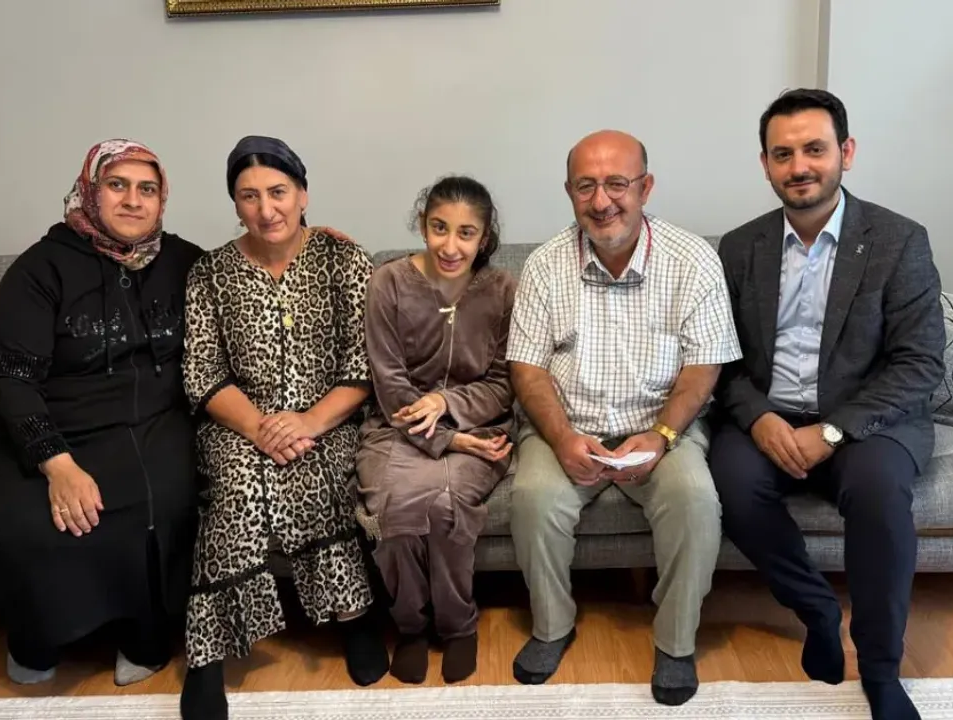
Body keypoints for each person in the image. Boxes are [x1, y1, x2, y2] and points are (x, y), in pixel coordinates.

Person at [709, 88, 945, 720]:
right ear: (765, 164)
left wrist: (834, 431)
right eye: (782, 154)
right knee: (728, 485)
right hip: (770, 414)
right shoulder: (740, 247)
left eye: (814, 149)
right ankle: (814, 607)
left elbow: (920, 363)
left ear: (846, 152)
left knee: (879, 495)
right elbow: (719, 358)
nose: (799, 167)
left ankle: (881, 669)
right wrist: (758, 416)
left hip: (869, 420)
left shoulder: (898, 240)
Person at [506, 129, 741, 706]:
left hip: (662, 426)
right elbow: (527, 370)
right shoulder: (543, 265)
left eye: (617, 183)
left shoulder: (693, 260)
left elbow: (703, 367)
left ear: (645, 187)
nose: (602, 200)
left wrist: (661, 435)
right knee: (533, 498)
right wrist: (562, 437)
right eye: (585, 186)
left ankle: (676, 642)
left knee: (694, 500)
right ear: (569, 192)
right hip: (566, 425)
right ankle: (552, 627)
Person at [0, 139, 204, 687]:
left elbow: (253, 266)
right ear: (90, 191)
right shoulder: (40, 269)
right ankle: (36, 636)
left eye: (147, 189)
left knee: (162, 501)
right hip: (59, 426)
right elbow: (12, 378)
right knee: (31, 524)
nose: (133, 200)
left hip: (156, 422)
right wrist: (58, 465)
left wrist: (314, 239)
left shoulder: (186, 262)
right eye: (118, 185)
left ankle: (144, 636)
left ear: (162, 200)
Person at [179, 135, 388, 720]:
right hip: (239, 425)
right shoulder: (210, 273)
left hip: (330, 418)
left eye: (278, 192)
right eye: (250, 196)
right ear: (235, 204)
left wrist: (309, 423)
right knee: (237, 492)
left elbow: (365, 364)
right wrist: (262, 429)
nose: (266, 208)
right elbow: (203, 374)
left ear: (303, 195)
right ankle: (206, 657)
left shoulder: (344, 260)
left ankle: (355, 617)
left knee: (317, 474)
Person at [356, 175, 517, 685]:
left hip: (480, 428)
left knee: (446, 506)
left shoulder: (502, 291)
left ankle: (458, 626)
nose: (450, 246)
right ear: (423, 225)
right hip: (396, 429)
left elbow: (503, 383)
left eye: (466, 233)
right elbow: (389, 383)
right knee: (398, 508)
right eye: (439, 228)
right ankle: (411, 627)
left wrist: (447, 404)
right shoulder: (389, 283)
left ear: (484, 238)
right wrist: (445, 438)